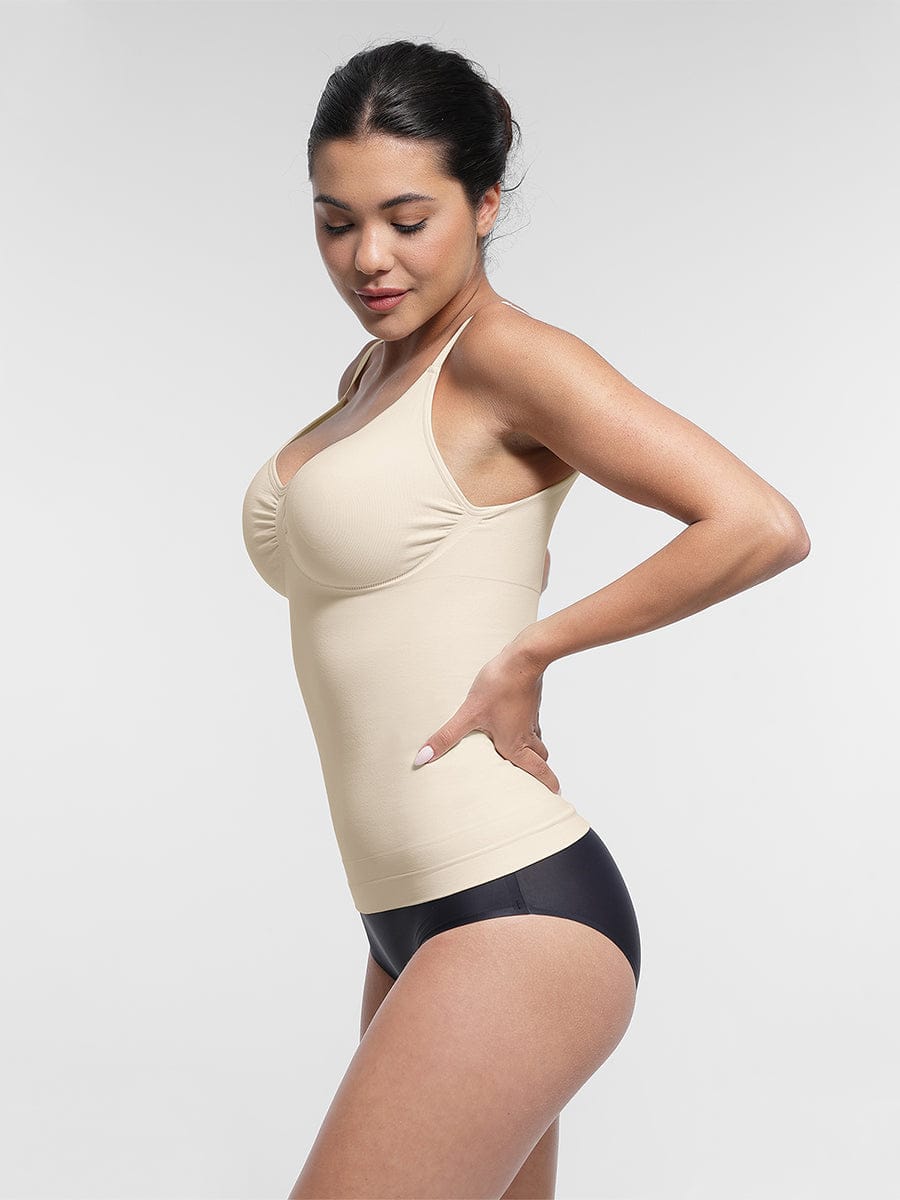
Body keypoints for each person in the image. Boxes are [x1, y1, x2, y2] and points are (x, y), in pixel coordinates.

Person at [241, 38, 810, 1200]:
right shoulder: (370, 377)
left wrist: (537, 647)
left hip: (511, 911)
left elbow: (757, 523)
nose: (368, 257)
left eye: (407, 219)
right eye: (336, 222)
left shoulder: (504, 356)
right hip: (404, 920)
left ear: (486, 204)